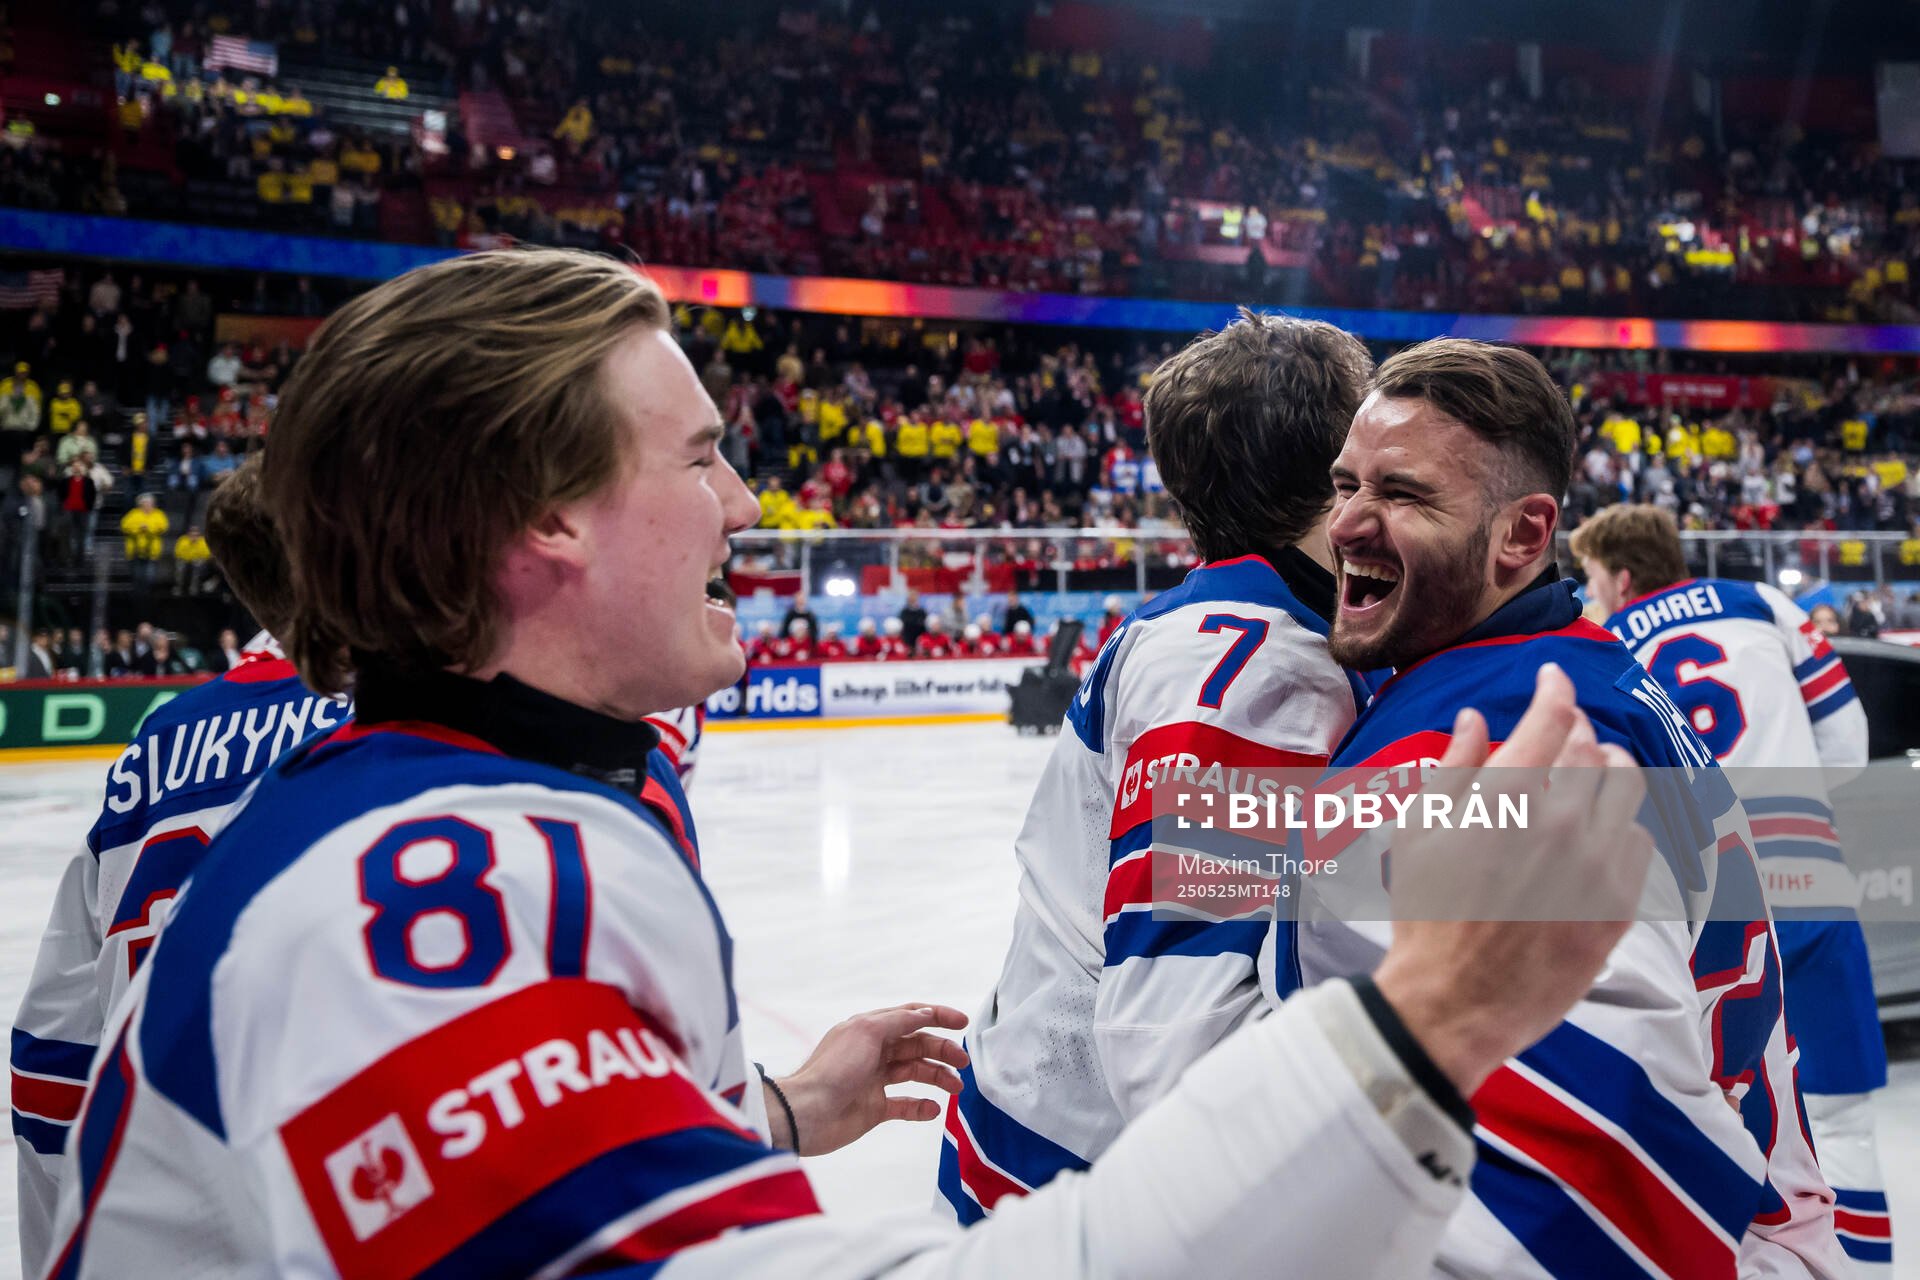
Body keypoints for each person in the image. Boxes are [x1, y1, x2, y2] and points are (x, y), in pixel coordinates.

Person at [45, 250, 1659, 1279]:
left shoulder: (517, 801)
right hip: (1099, 1178)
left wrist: (761, 1114)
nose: (749, 506)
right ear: (543, 524)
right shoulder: (418, 897)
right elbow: (1179, 1017)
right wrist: (1423, 1028)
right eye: (700, 456)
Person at [1274, 338, 1840, 1278]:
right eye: (1346, 485)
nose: (1348, 524)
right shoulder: (1567, 673)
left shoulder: (1502, 741)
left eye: (1404, 494)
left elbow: (1604, 1147)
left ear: (1524, 537)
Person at [941, 312, 1375, 1219]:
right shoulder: (1255, 671)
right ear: (1344, 470)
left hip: (1048, 1138)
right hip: (1084, 1187)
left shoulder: (1227, 631)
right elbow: (1176, 1035)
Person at [11, 455, 354, 1276]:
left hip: (157, 1202)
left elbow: (50, 1058)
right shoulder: (408, 717)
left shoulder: (155, 746)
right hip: (334, 1202)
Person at [1571, 503, 1891, 1272]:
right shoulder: (1767, 604)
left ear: (1620, 577)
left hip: (1706, 906)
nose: (1586, 595)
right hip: (1810, 878)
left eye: (1589, 580)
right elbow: (1848, 748)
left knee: (1714, 1118)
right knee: (1841, 1123)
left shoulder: (1604, 643)